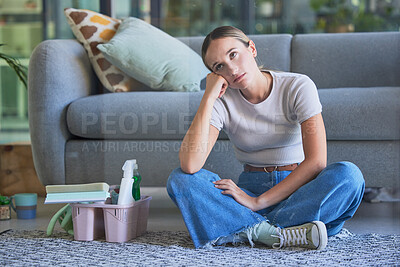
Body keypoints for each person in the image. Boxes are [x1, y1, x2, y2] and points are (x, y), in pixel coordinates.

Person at [167, 26, 365, 250]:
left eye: (233, 54)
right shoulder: (221, 101)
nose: (231, 69)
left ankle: (248, 230)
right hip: (249, 190)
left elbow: (317, 162)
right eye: (219, 66)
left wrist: (257, 203)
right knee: (180, 179)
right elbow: (190, 164)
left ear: (251, 48)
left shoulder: (297, 86)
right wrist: (208, 97)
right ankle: (288, 233)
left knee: (349, 176)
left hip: (299, 192)